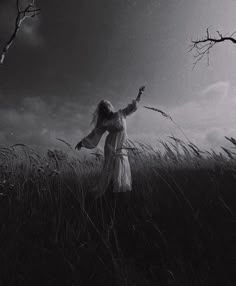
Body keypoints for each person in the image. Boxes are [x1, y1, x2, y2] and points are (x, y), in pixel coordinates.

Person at [75, 86, 145, 198]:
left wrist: (139, 94)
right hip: (110, 146)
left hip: (122, 145)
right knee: (110, 168)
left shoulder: (121, 113)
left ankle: (120, 194)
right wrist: (83, 142)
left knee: (121, 166)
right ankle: (105, 194)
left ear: (109, 106)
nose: (104, 110)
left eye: (105, 107)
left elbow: (132, 107)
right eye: (102, 109)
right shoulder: (105, 122)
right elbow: (96, 133)